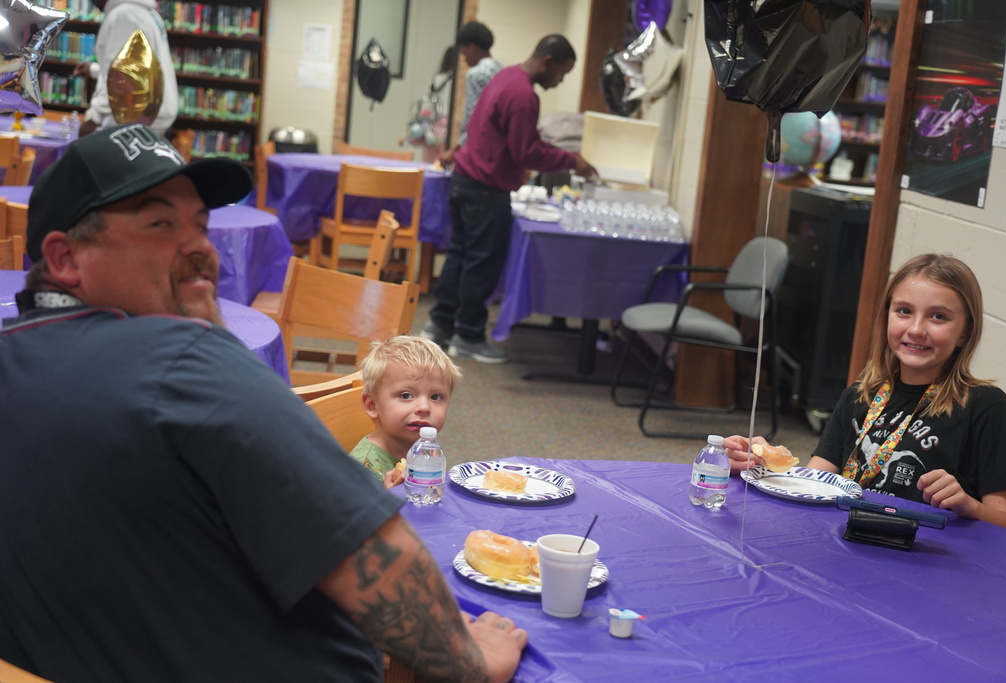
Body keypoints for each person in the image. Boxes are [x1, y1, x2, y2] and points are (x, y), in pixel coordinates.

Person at [0, 123, 526, 682]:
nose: (201, 247)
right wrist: (472, 663)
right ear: (64, 258)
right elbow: (373, 555)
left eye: (199, 224)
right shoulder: (185, 361)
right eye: (160, 224)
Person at [725, 254, 1006, 533]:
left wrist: (968, 506)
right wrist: (765, 467)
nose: (917, 329)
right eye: (904, 311)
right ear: (887, 318)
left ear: (964, 333)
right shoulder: (860, 395)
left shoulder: (985, 405)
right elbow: (814, 481)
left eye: (938, 317)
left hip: (925, 557)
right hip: (850, 541)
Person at [422, 35, 598, 363]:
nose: (560, 79)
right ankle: (469, 336)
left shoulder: (504, 77)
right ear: (548, 61)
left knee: (459, 256)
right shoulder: (523, 95)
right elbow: (525, 151)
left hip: (464, 179)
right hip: (486, 189)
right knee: (481, 264)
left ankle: (439, 326)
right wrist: (572, 160)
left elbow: (480, 128)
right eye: (562, 72)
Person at [350, 335, 462, 488]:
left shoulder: (426, 449)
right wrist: (389, 497)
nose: (424, 407)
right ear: (372, 405)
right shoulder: (364, 469)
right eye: (406, 395)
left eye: (435, 397)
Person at [74, 0, 178, 137]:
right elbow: (138, 71)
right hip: (151, 116)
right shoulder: (147, 12)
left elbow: (121, 79)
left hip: (132, 122)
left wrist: (93, 118)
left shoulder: (124, 15)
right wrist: (94, 70)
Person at [438, 21, 502, 166]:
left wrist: (455, 151)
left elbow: (473, 118)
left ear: (471, 47)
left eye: (463, 52)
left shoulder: (476, 74)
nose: (464, 58)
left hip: (477, 153)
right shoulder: (500, 70)